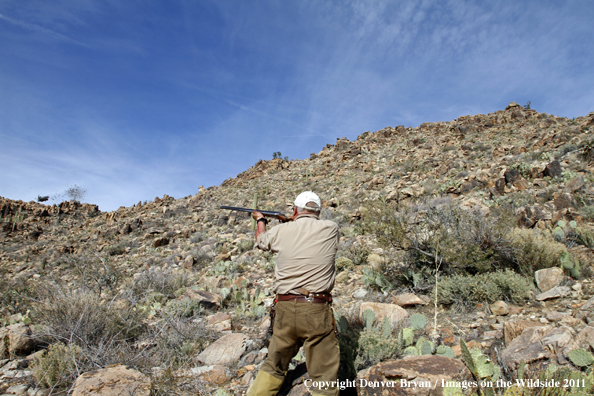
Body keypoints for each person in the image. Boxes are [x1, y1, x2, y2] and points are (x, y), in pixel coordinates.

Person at [247, 191, 340, 396]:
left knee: (274, 364)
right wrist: (294, 219)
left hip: (285, 307)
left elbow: (260, 241)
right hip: (317, 308)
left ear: (295, 209)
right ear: (318, 210)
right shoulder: (331, 229)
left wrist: (261, 220)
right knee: (324, 376)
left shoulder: (281, 230)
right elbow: (308, 228)